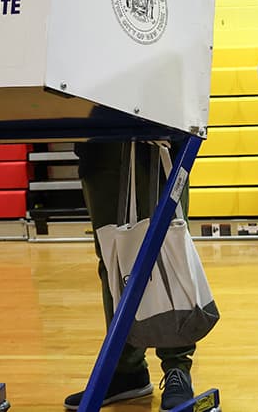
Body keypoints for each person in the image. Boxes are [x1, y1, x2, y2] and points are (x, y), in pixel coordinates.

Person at [64, 141, 195, 411]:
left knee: (168, 249)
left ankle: (177, 367)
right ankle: (126, 370)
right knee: (112, 258)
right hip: (99, 136)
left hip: (158, 133)